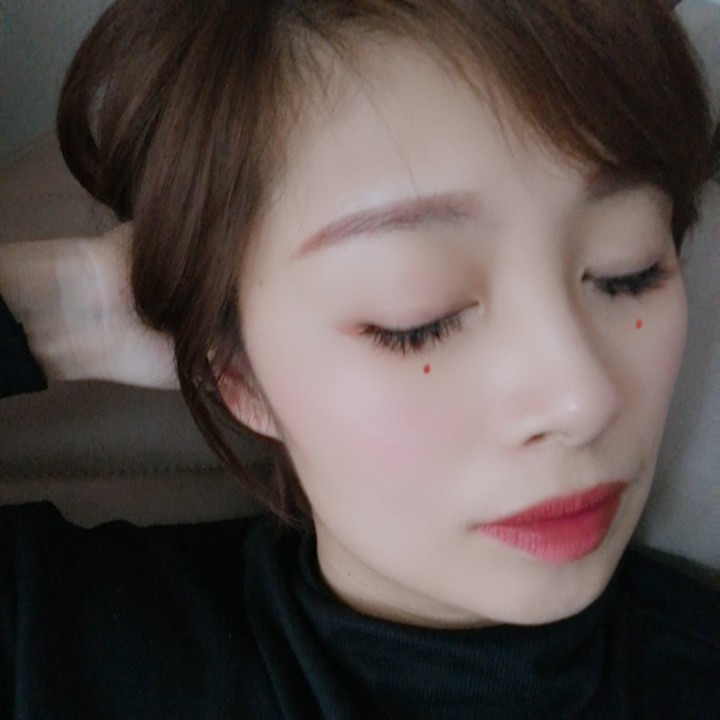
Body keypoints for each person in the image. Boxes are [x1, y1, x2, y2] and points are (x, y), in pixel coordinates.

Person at [1, 0, 718, 718]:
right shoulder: (59, 643)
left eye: (629, 272)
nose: (583, 399)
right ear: (238, 375)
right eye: (419, 321)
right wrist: (71, 308)